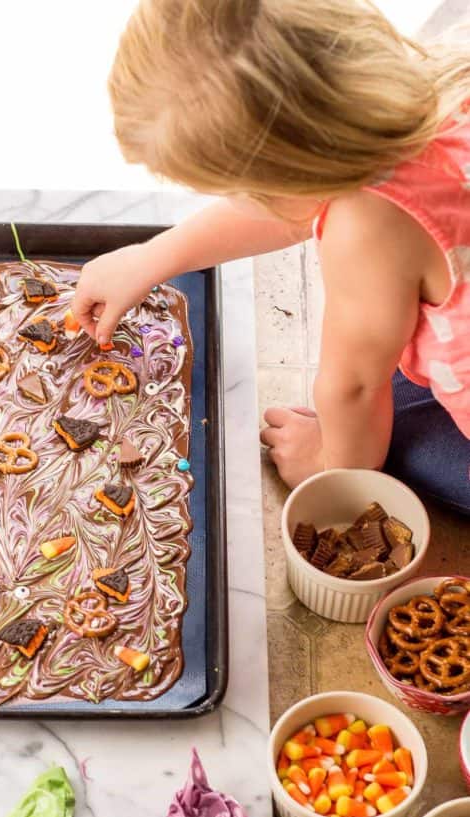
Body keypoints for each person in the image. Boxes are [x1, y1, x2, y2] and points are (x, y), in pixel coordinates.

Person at [71, 0, 470, 514]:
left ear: (294, 177)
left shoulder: (368, 225)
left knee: (401, 440)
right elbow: (298, 205)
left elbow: (354, 387)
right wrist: (151, 257)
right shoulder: (437, 70)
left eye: (245, 191)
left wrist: (331, 464)